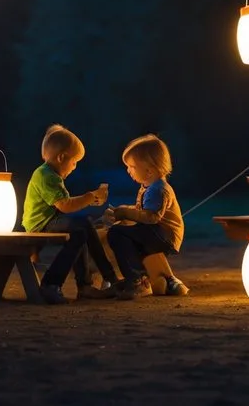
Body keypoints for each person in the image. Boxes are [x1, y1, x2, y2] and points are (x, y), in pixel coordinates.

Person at [22, 124, 118, 304]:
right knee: (82, 225)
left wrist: (89, 198)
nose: (74, 167)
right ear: (61, 157)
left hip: (50, 220)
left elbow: (64, 205)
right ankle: (52, 284)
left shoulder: (51, 175)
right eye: (74, 162)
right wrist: (89, 197)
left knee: (81, 230)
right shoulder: (46, 175)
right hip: (41, 225)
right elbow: (65, 206)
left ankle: (87, 285)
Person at [105, 134, 188, 300]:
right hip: (158, 231)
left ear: (149, 171)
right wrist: (123, 210)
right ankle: (154, 278)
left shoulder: (158, 189)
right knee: (126, 233)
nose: (128, 170)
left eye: (132, 166)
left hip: (164, 235)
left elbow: (151, 217)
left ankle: (137, 280)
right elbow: (141, 210)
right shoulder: (149, 187)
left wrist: (125, 213)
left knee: (116, 234)